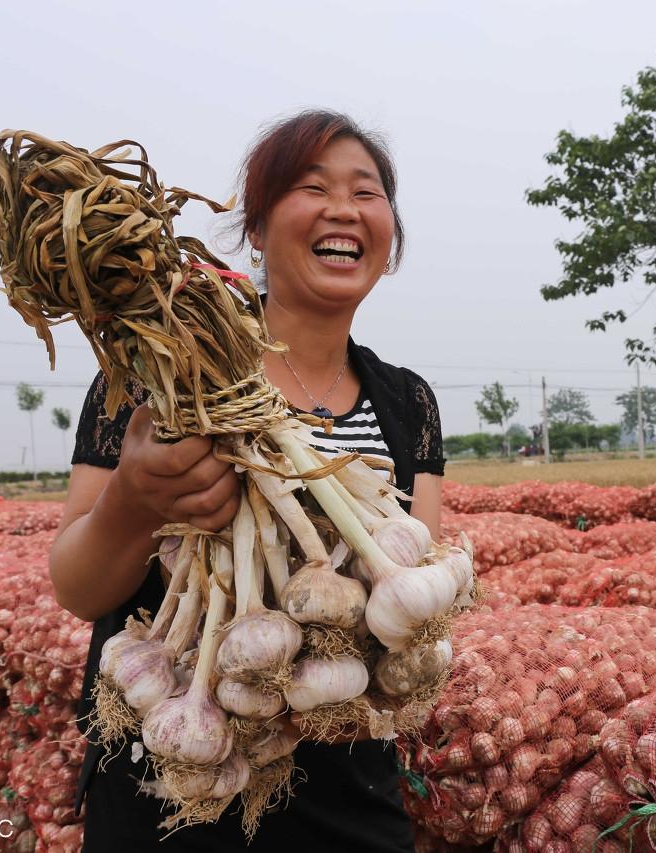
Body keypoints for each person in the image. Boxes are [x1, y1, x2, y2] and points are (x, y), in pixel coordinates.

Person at [50, 110, 444, 851]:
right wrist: (134, 502)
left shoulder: (408, 402)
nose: (343, 209)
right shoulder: (160, 380)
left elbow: (408, 610)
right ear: (255, 230)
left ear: (388, 238)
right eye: (311, 186)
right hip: (174, 786)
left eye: (367, 192)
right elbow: (77, 587)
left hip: (347, 783)